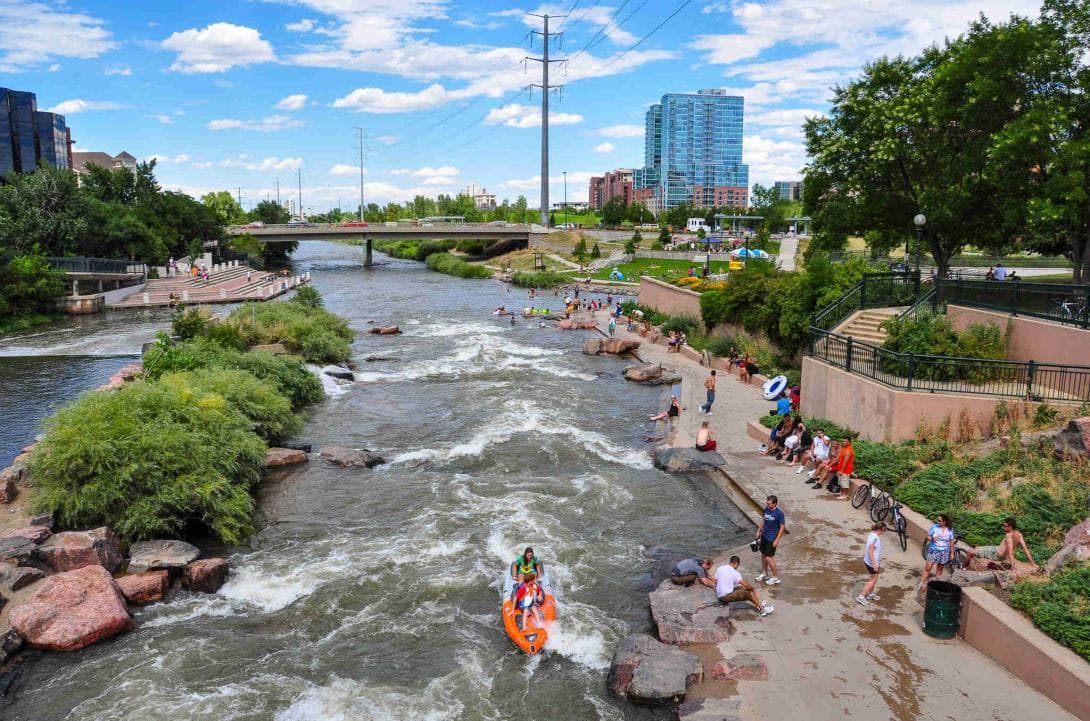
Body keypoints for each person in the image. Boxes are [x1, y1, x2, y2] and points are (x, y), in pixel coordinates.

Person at [963, 517, 1039, 571]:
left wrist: (1012, 566)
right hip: (995, 550)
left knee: (970, 550)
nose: (1003, 527)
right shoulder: (1019, 534)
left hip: (995, 554)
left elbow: (1010, 552)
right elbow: (1025, 549)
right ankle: (968, 566)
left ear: (1010, 527)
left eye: (1005, 526)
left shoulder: (1008, 535)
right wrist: (1033, 563)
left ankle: (963, 567)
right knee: (977, 547)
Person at [755, 495, 785, 585]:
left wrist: (777, 540)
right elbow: (763, 520)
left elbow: (782, 527)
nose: (767, 505)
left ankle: (775, 577)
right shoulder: (767, 509)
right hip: (764, 535)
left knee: (769, 557)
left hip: (772, 538)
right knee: (763, 555)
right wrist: (758, 531)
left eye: (769, 503)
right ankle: (765, 573)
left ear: (774, 503)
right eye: (767, 503)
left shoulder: (779, 514)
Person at [920, 514, 956, 588]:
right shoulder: (934, 527)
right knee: (928, 568)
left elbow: (951, 541)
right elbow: (928, 536)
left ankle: (936, 585)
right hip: (933, 550)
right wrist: (932, 539)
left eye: (939, 521)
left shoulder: (950, 530)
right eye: (937, 520)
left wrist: (952, 553)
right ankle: (922, 584)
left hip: (944, 551)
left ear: (944, 522)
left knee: (940, 569)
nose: (937, 522)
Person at [857, 522, 886, 606]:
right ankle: (861, 596)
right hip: (872, 563)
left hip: (869, 561)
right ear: (880, 530)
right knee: (873, 580)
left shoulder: (872, 534)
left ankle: (870, 594)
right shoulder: (875, 538)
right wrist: (874, 564)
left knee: (873, 579)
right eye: (883, 531)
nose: (884, 533)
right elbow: (870, 551)